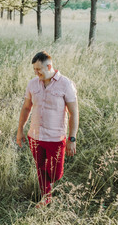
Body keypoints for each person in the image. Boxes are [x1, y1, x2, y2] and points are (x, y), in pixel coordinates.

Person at [16, 51, 79, 208]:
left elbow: (74, 113)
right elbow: (26, 108)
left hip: (55, 138)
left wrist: (72, 138)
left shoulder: (66, 84)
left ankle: (47, 184)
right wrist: (20, 130)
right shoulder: (32, 84)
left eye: (39, 69)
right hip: (35, 136)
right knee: (40, 168)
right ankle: (46, 196)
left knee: (54, 173)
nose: (36, 73)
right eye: (34, 70)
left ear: (49, 66)